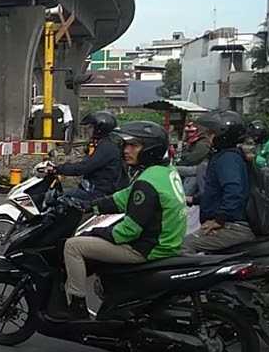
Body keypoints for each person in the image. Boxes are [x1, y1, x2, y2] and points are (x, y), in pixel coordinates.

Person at [52, 121, 186, 321]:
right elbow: (124, 197)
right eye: (126, 145)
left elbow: (129, 231)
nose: (126, 151)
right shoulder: (163, 171)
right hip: (167, 241)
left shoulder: (146, 183)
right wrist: (92, 206)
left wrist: (96, 232)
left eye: (134, 146)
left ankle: (77, 306)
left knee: (74, 246)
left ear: (150, 149)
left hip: (148, 248)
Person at [182, 111, 255, 252]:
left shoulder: (227, 158)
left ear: (223, 135)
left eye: (210, 134)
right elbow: (217, 193)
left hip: (232, 226)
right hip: (230, 223)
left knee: (182, 246)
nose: (207, 137)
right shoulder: (228, 156)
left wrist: (219, 220)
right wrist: (192, 199)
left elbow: (234, 191)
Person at [53, 111, 125, 201]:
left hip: (100, 193)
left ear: (100, 128)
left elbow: (84, 167)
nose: (86, 130)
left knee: (56, 197)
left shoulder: (107, 147)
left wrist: (57, 169)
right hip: (94, 188)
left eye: (90, 126)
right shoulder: (104, 144)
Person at [176, 122, 211, 196]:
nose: (189, 134)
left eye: (192, 132)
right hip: (193, 167)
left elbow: (194, 158)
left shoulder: (203, 143)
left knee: (186, 192)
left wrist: (183, 158)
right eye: (188, 132)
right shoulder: (193, 142)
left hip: (197, 169)